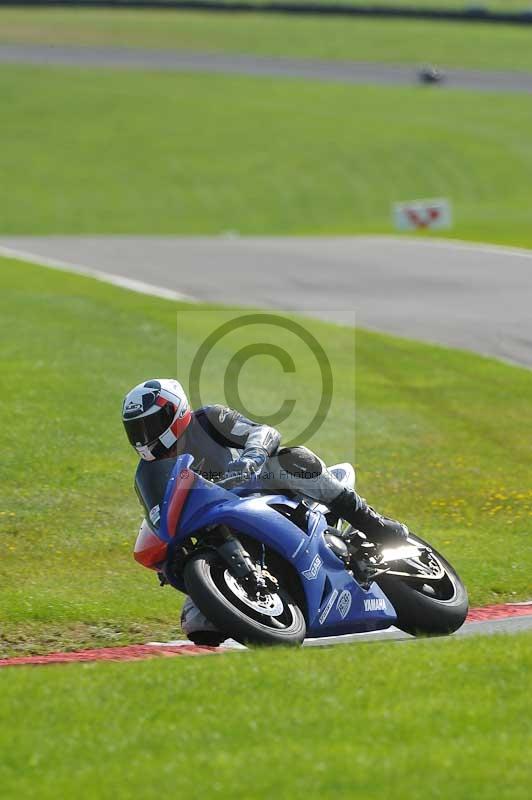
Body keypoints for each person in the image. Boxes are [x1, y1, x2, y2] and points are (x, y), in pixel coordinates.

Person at [122, 378, 409, 645]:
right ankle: (262, 601)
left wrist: (252, 456)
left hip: (256, 490)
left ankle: (371, 522)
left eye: (150, 424)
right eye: (136, 429)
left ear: (176, 411)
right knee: (198, 624)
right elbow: (160, 513)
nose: (144, 436)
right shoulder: (149, 472)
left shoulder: (209, 420)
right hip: (217, 529)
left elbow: (264, 432)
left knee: (293, 459)